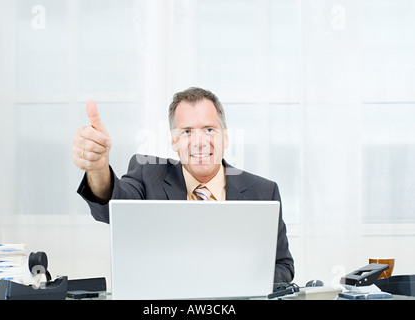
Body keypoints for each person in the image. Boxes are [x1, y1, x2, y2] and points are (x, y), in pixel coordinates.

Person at [73, 87, 295, 283]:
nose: (199, 141)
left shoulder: (264, 192)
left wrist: (239, 279)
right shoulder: (147, 174)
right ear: (173, 140)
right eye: (187, 131)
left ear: (225, 138)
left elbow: (283, 266)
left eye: (209, 129)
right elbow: (114, 206)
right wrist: (98, 168)